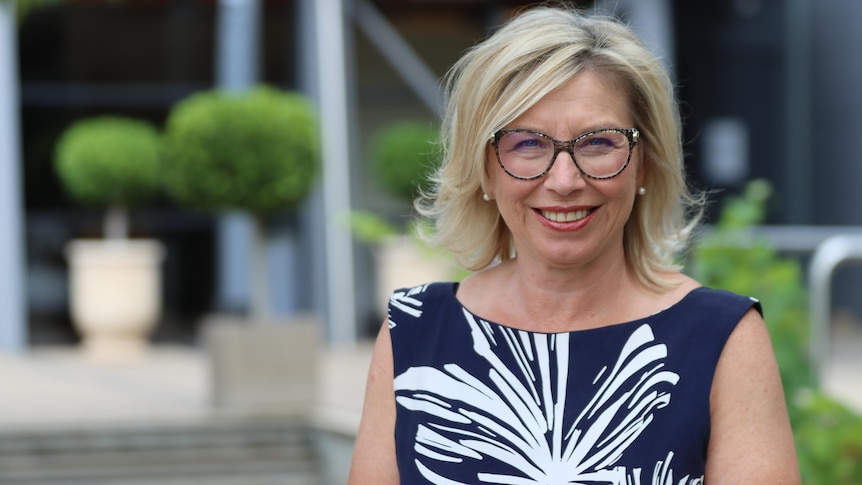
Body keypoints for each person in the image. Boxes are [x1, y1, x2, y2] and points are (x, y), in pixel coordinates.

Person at [348, 5, 800, 484]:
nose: (564, 181)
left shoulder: (722, 338)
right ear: (484, 168)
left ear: (643, 163)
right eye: (527, 144)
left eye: (598, 143)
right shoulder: (412, 333)